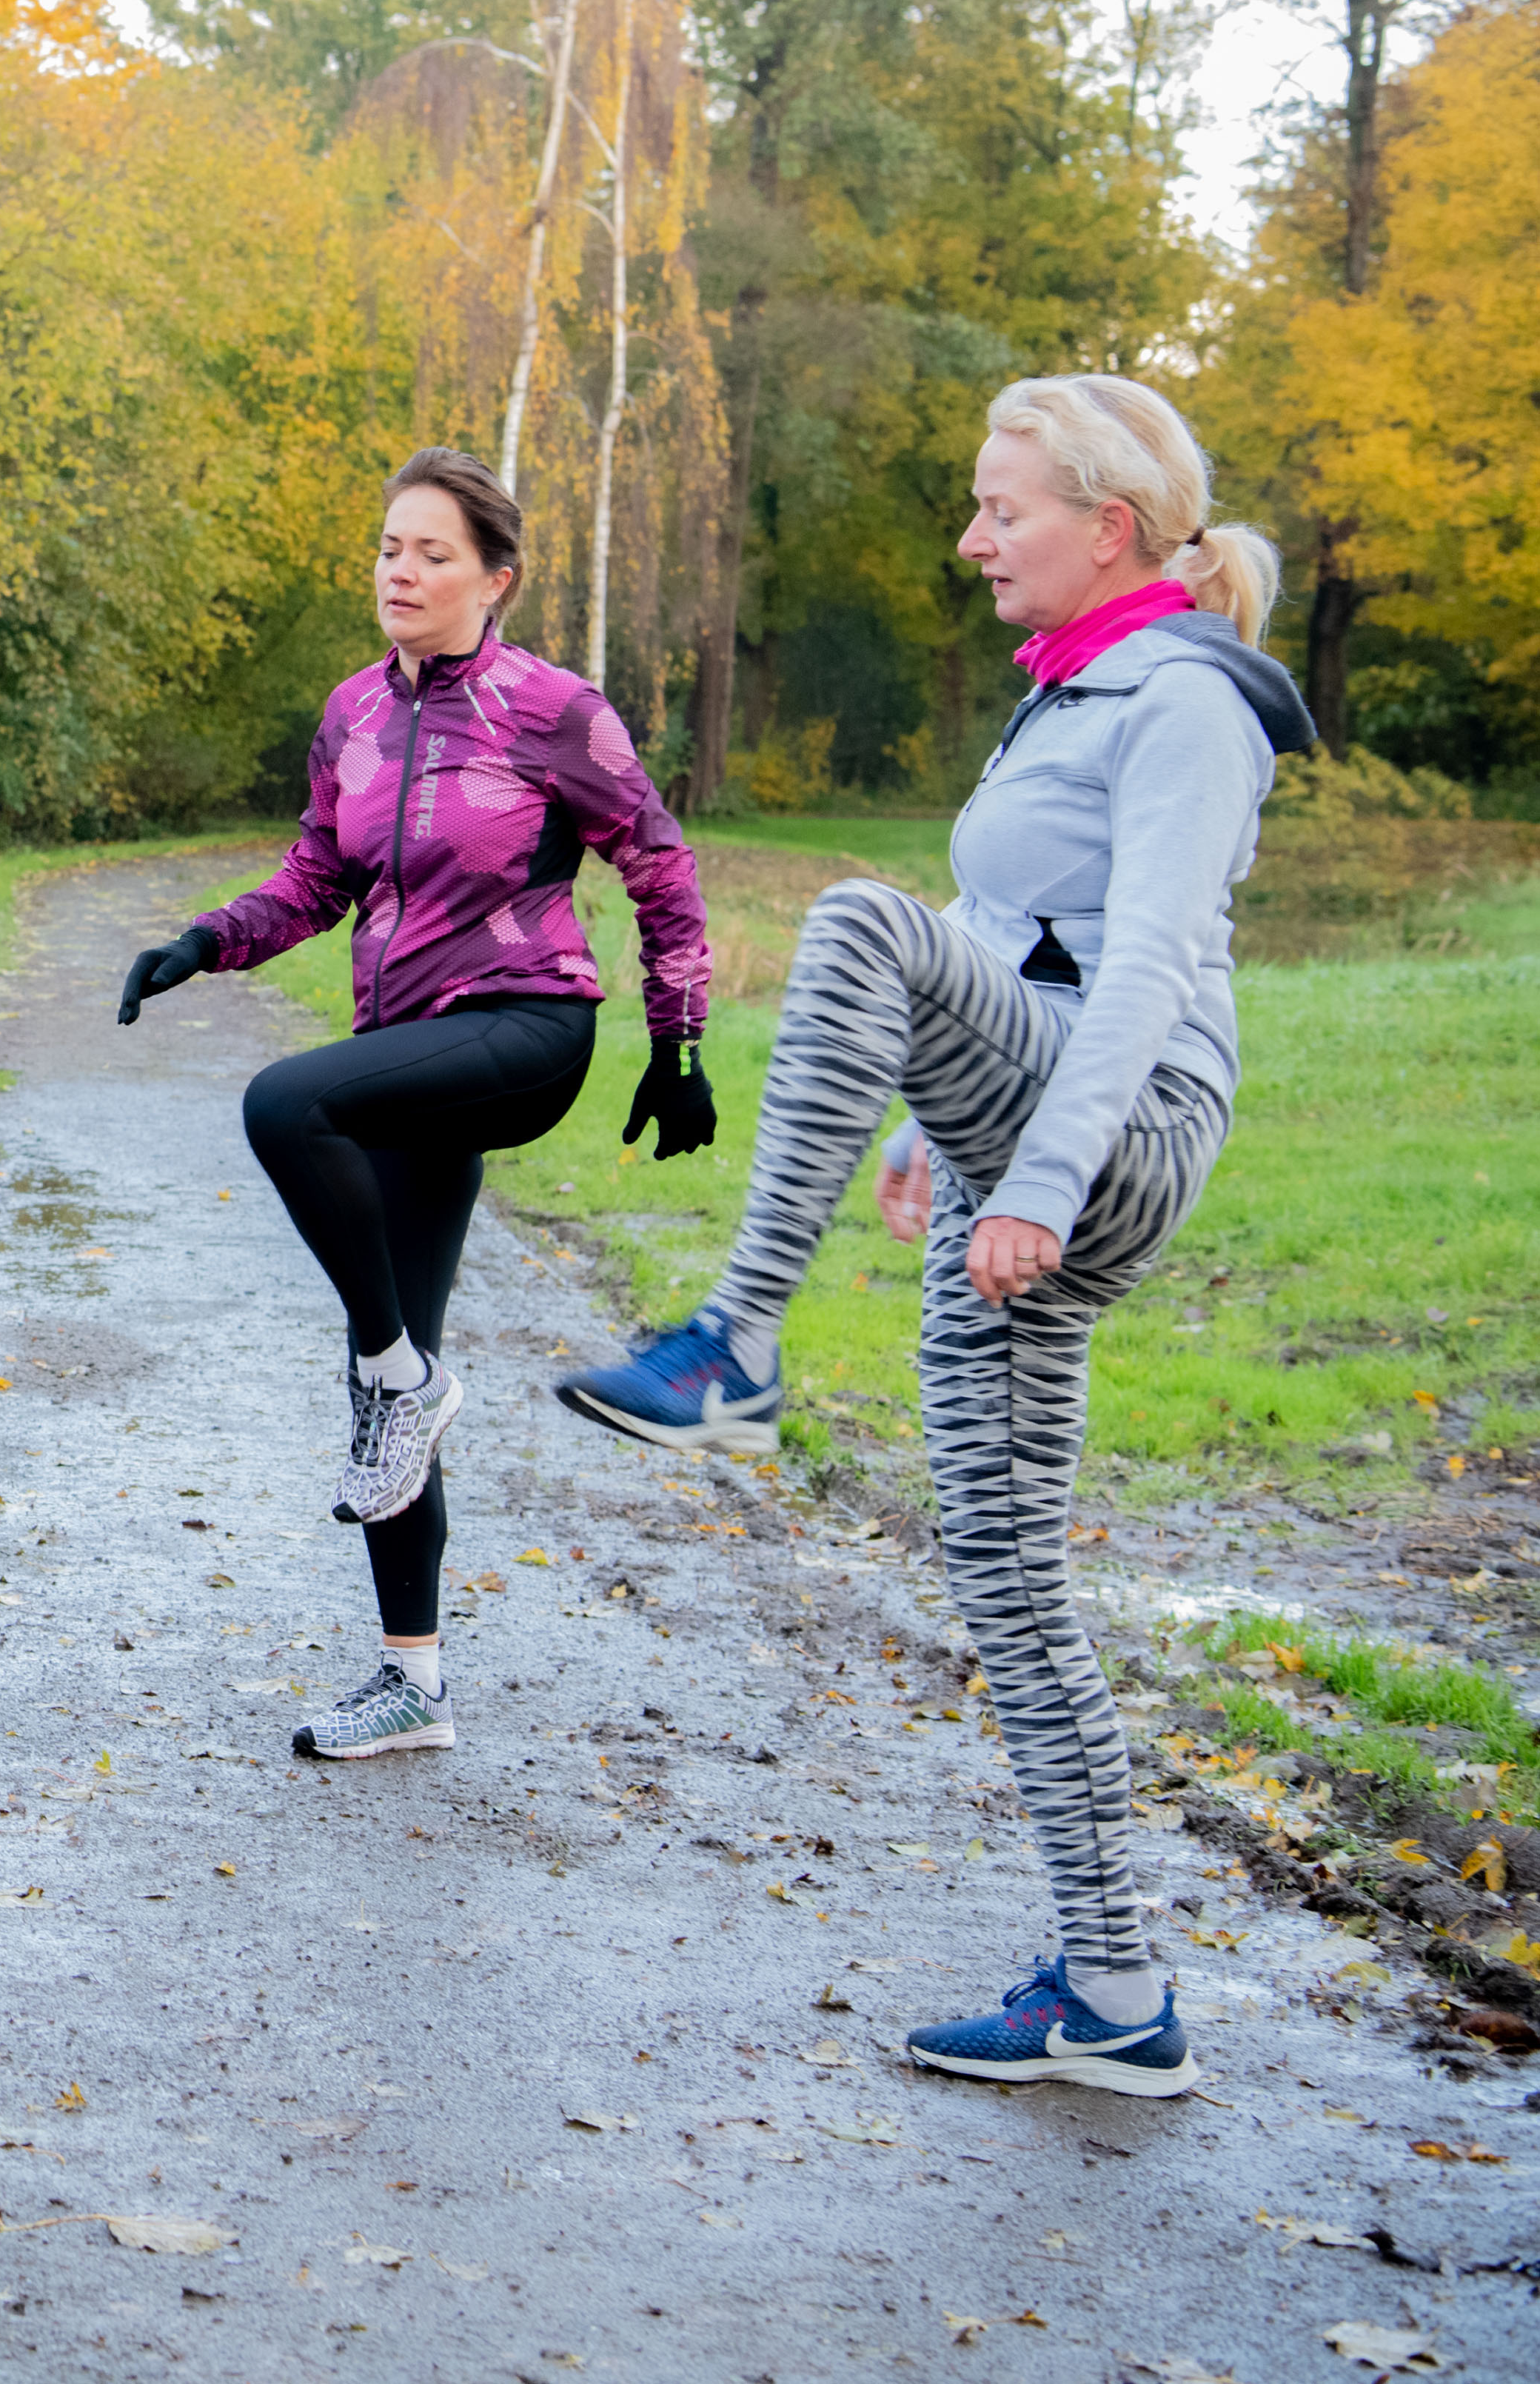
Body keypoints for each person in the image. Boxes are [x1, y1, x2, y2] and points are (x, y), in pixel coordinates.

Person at [555, 374, 1302, 2098]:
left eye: (1002, 506)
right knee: (1007, 1574)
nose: (973, 537)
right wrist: (928, 1126)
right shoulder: (1070, 696)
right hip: (1020, 1145)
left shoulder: (1186, 701)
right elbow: (1011, 928)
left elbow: (1150, 964)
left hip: (1116, 1140)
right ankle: (1117, 1994)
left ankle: (737, 1343)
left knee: (851, 914)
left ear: (1106, 527)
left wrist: (1037, 1177)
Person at [118, 447, 714, 1764]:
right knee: (380, 1383)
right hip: (406, 1048)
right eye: (390, 546)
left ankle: (406, 1382)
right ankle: (413, 1683)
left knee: (285, 1106)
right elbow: (314, 879)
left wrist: (675, 1046)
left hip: (523, 1027)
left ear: (493, 580)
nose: (401, 569)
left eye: (432, 552)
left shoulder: (552, 709)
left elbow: (660, 870)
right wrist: (202, 944)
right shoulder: (353, 715)